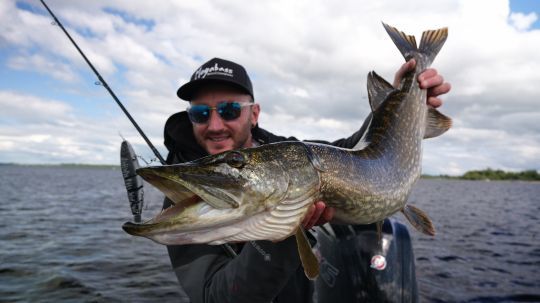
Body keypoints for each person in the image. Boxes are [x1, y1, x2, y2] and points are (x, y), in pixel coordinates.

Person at [162, 57, 450, 303]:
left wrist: (396, 102)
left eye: (229, 111)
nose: (214, 125)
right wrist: (284, 228)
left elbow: (350, 153)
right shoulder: (186, 198)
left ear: (254, 114)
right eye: (200, 113)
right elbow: (215, 297)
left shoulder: (289, 153)